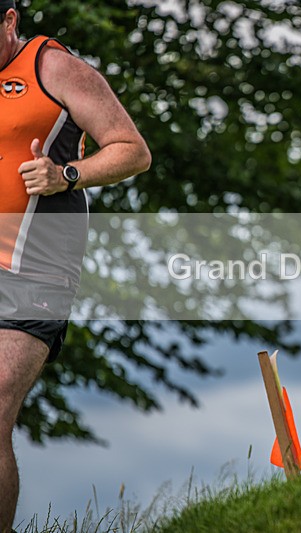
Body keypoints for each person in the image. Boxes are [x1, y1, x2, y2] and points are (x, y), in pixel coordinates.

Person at [0, 2, 151, 530]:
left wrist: (65, 174)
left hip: (35, 269)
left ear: (10, 21)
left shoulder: (55, 68)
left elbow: (132, 150)